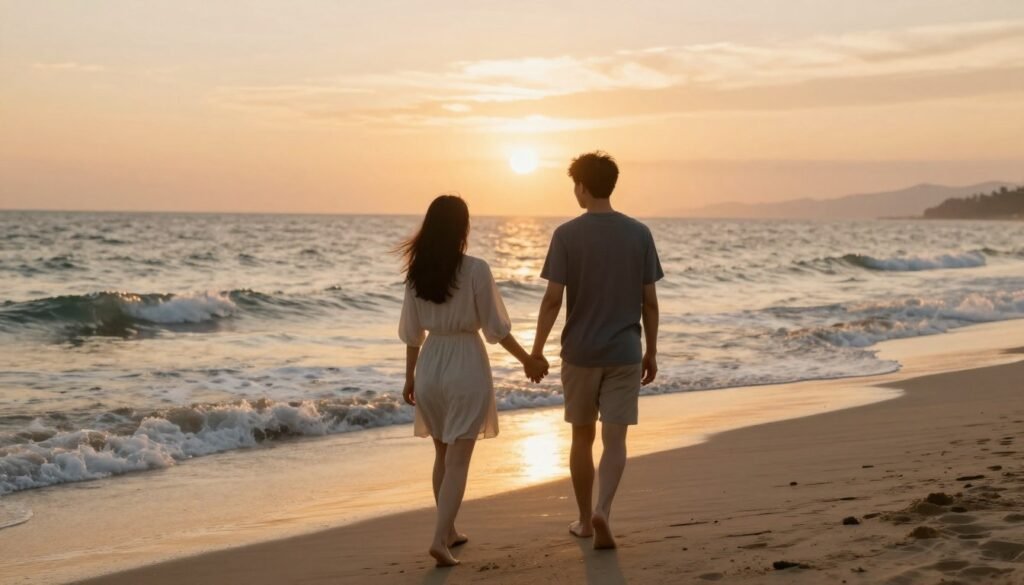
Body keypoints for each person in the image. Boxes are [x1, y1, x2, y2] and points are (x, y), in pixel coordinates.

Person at [398, 194, 549, 567]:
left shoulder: (417, 274)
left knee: (442, 454)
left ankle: (448, 530)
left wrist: (410, 377)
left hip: (430, 364)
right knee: (459, 460)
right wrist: (528, 360)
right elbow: (496, 329)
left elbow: (412, 334)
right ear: (462, 228)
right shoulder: (476, 269)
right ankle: (439, 539)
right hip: (465, 362)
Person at [531, 151, 663, 549]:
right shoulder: (639, 234)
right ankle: (603, 508)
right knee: (616, 439)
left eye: (575, 185)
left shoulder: (566, 235)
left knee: (582, 438)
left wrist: (537, 350)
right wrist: (651, 351)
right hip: (625, 351)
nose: (575, 192)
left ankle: (585, 521)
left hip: (580, 353)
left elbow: (553, 300)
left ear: (583, 187)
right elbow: (649, 302)